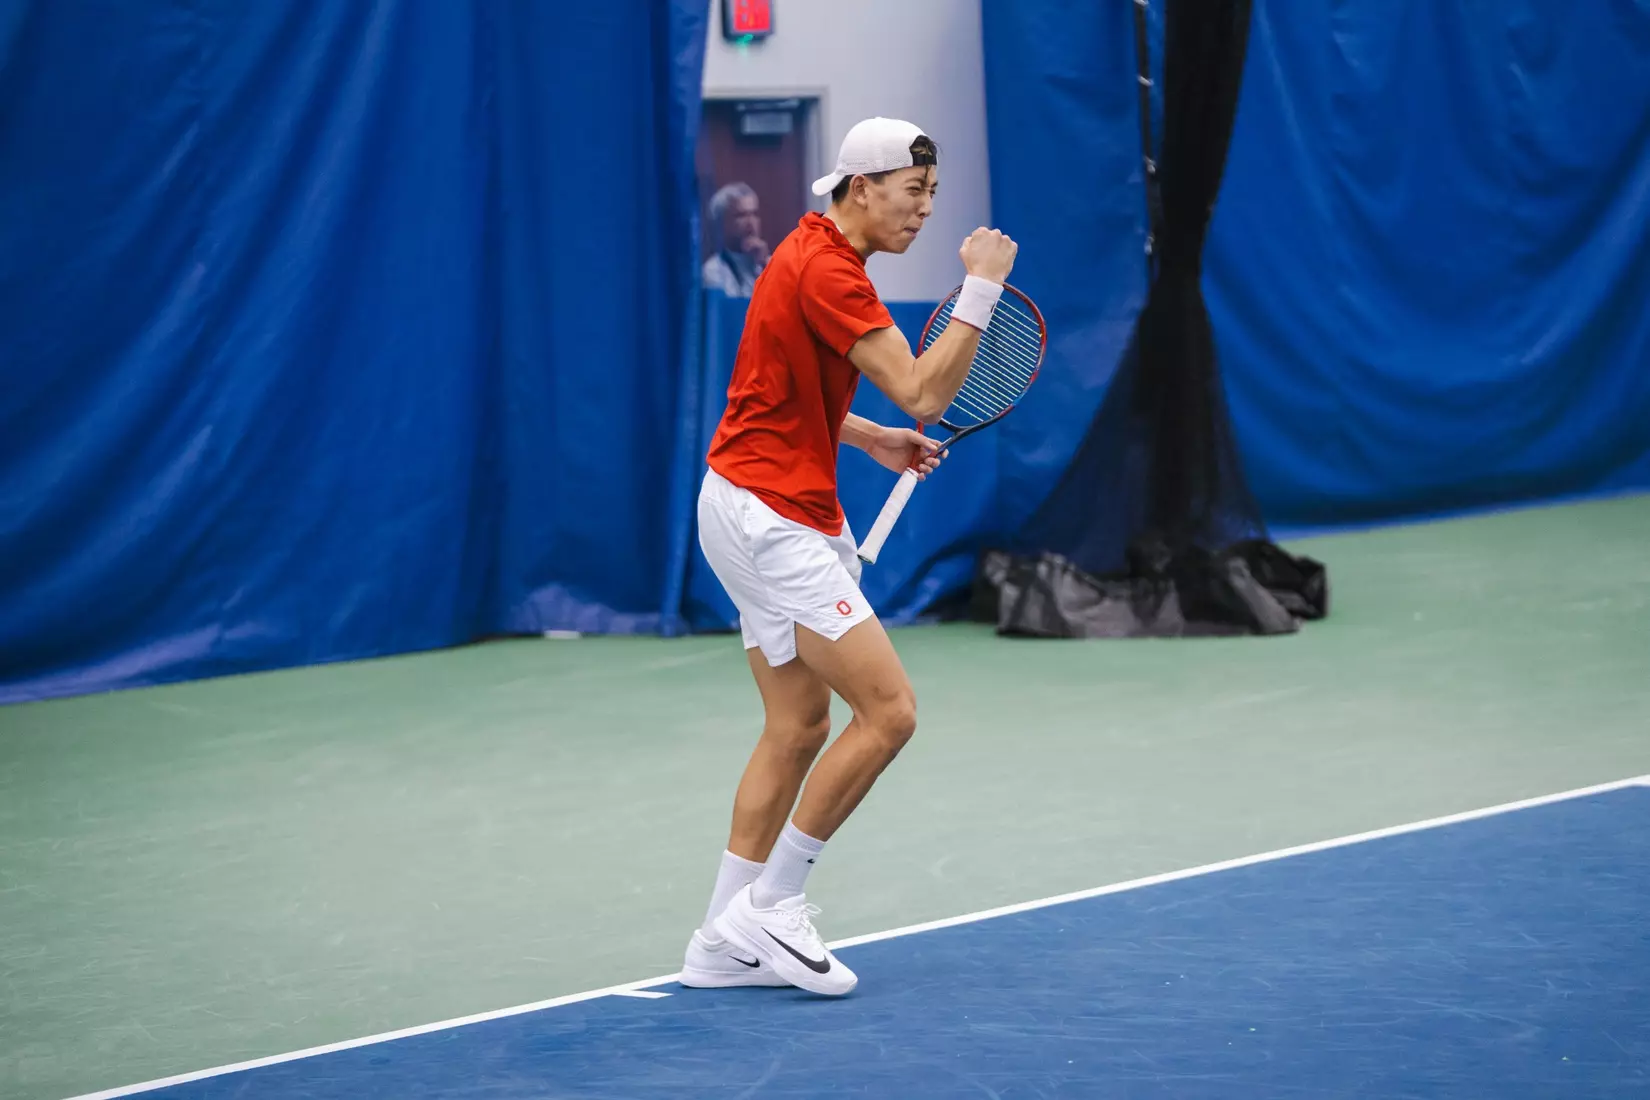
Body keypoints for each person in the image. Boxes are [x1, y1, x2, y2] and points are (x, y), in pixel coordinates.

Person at [681, 117, 1018, 996]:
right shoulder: (830, 270)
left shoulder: (805, 251)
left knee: (797, 725)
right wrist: (980, 289)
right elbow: (923, 390)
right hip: (771, 520)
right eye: (914, 192)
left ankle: (719, 939)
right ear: (861, 187)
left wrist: (868, 438)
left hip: (740, 501)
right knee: (889, 711)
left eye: (933, 194)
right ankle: (772, 902)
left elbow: (775, 393)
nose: (926, 210)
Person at [701, 181, 770, 297]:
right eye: (741, 215)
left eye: (754, 214)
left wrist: (766, 266)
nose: (750, 222)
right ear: (722, 223)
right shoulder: (713, 271)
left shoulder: (769, 264)